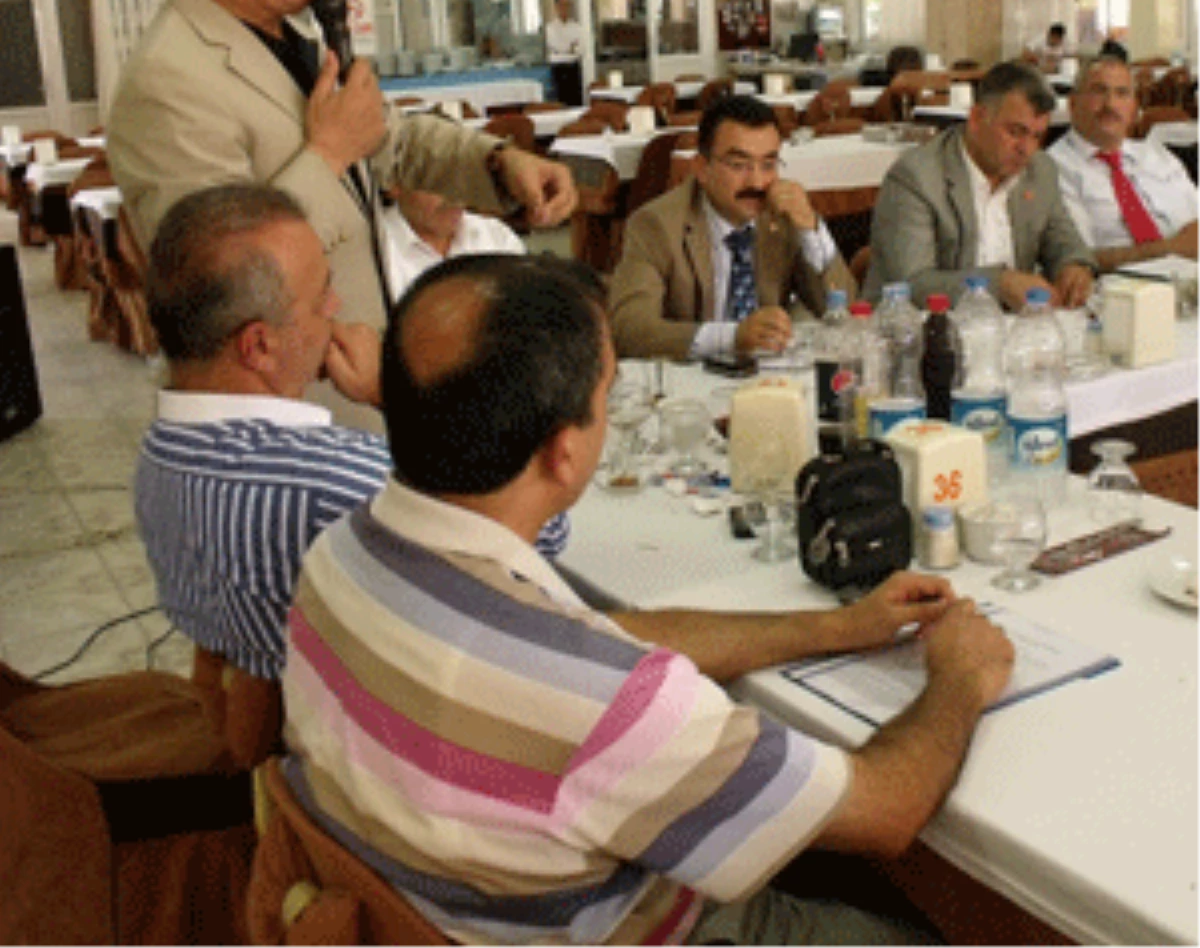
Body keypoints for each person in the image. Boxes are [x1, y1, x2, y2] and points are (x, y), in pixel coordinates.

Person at [280, 252, 1014, 946]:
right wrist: (959, 678)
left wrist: (835, 627)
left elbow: (599, 634)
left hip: (434, 899)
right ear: (564, 452)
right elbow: (885, 810)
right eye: (606, 393)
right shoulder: (607, 707)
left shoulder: (343, 556)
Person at [106, 0, 574, 426]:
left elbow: (386, 136)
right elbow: (213, 285)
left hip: (361, 381)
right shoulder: (166, 82)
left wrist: (498, 162)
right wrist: (326, 155)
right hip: (285, 418)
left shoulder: (287, 33)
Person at [136, 184, 565, 682]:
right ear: (259, 346)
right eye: (321, 299)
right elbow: (537, 532)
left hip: (264, 708)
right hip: (371, 731)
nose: (337, 305)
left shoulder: (158, 452)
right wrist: (398, 392)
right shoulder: (333, 480)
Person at [608, 93, 854, 359]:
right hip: (690, 385)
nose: (758, 183)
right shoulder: (656, 224)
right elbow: (629, 331)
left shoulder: (784, 215)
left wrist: (811, 230)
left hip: (772, 381)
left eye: (769, 164)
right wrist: (732, 337)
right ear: (702, 168)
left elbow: (845, 313)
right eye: (739, 165)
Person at [865, 60, 1096, 311]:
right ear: (976, 118)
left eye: (1038, 136)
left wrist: (1074, 267)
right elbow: (913, 285)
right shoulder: (916, 177)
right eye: (1015, 132)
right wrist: (999, 284)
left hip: (1010, 334)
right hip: (920, 334)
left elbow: (1064, 241)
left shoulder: (1040, 170)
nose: (1026, 149)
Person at [1048, 56, 1200, 270]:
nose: (1111, 105)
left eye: (1122, 93)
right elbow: (1079, 259)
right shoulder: (1053, 168)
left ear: (1134, 108)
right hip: (1117, 291)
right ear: (1073, 104)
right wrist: (1171, 249)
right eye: (1098, 91)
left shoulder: (1156, 155)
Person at [380, 183, 525, 298]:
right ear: (394, 185)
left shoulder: (497, 237)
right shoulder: (373, 248)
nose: (455, 196)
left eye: (461, 180)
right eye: (438, 181)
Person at [544, 0, 584, 106]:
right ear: (556, 7)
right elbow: (555, 46)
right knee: (559, 101)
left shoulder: (577, 27)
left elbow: (580, 48)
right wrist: (570, 46)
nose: (564, 8)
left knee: (575, 100)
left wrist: (570, 48)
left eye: (567, 5)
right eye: (561, 5)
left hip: (573, 67)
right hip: (558, 67)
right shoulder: (550, 27)